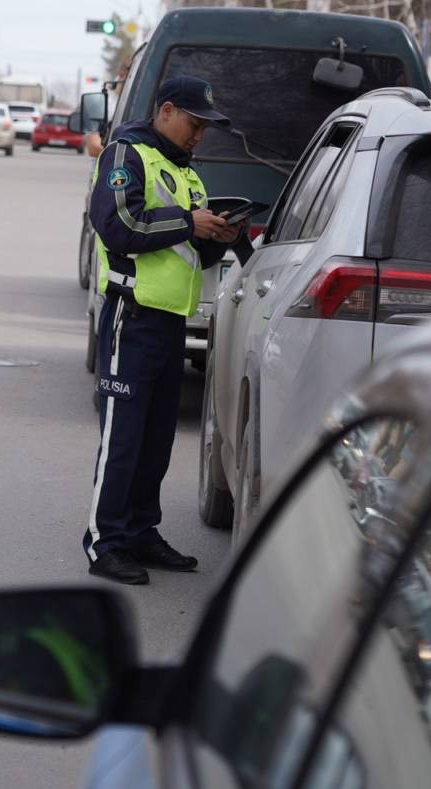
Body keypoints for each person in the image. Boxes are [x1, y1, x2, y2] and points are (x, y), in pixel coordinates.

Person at [83, 75, 242, 584]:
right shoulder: (125, 155)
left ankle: (141, 533)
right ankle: (104, 541)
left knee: (156, 441)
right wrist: (188, 222)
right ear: (167, 111)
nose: (199, 136)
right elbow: (118, 226)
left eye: (205, 129)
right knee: (123, 439)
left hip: (171, 321)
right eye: (194, 124)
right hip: (132, 318)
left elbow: (193, 249)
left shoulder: (187, 174)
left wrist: (219, 233)